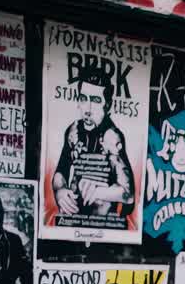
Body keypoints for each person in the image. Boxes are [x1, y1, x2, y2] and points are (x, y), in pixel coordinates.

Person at [52, 70, 136, 222]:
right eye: (83, 99)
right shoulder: (73, 130)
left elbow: (128, 194)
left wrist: (98, 192)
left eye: (96, 100)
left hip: (104, 227)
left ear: (107, 105)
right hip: (74, 221)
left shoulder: (112, 137)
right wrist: (60, 190)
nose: (88, 110)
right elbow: (60, 172)